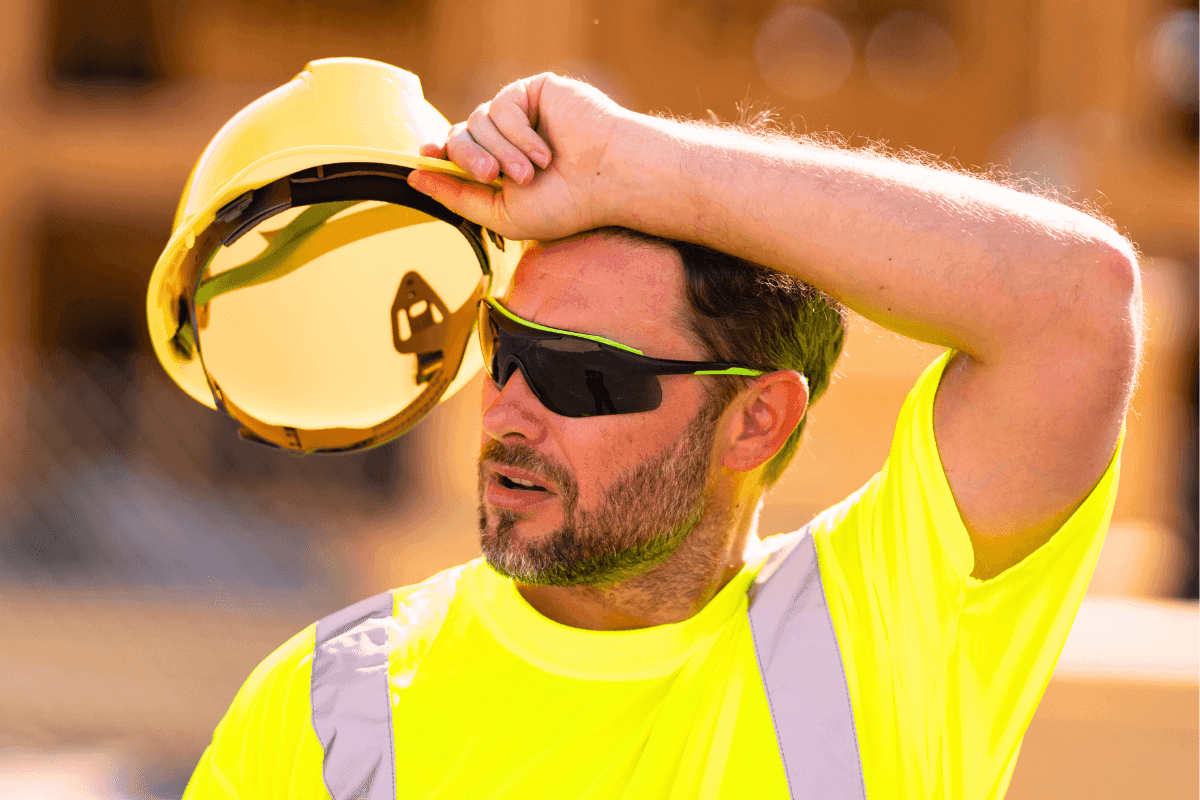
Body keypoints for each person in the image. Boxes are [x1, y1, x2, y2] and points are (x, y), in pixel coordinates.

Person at [182, 73, 1142, 800]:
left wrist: (631, 165)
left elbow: (1075, 305)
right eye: (504, 348)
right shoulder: (323, 704)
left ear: (755, 420)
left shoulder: (887, 634)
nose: (510, 405)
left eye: (581, 375)